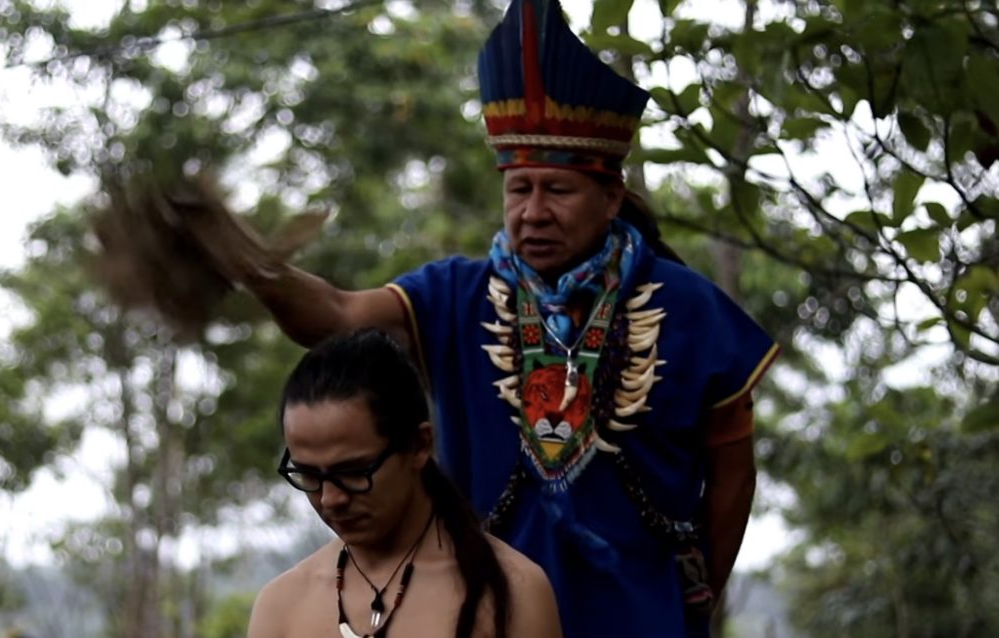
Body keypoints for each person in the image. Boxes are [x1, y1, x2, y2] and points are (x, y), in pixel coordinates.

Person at [221, 1, 780, 635]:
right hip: (485, 615)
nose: (532, 212)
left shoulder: (687, 307)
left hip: (638, 619)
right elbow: (335, 315)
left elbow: (733, 475)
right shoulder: (455, 294)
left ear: (611, 197)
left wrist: (695, 596)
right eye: (519, 189)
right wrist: (251, 266)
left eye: (557, 190)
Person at [247, 329, 561, 638]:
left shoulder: (512, 591)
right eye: (310, 475)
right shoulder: (282, 606)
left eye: (353, 472)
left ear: (418, 445)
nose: (330, 499)